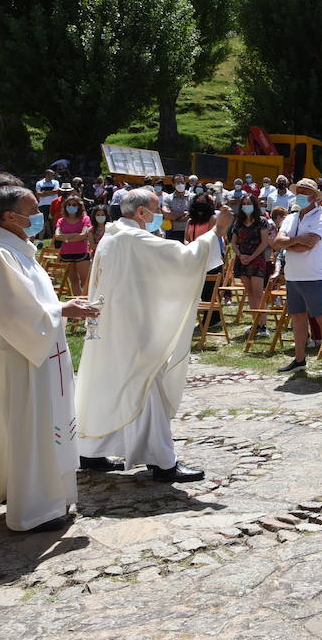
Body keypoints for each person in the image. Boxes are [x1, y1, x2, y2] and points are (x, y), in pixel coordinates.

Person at [0, 186, 99, 531]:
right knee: (31, 426)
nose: (40, 216)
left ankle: (40, 495)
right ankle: (34, 510)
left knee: (43, 423)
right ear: (8, 216)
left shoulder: (13, 246)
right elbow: (11, 311)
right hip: (21, 355)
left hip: (40, 349)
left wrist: (59, 309)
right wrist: (64, 308)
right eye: (32, 210)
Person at [76, 188, 228, 483]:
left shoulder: (112, 235)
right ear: (142, 212)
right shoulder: (132, 237)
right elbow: (183, 258)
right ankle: (162, 462)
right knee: (146, 387)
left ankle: (90, 451)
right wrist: (217, 231)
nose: (160, 213)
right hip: (132, 329)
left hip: (112, 326)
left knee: (107, 385)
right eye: (156, 208)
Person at [272, 179, 322, 379]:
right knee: (298, 320)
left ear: (314, 195)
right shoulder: (291, 217)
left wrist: (289, 243)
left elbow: (308, 245)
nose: (300, 194)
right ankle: (299, 359)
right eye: (298, 191)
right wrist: (297, 239)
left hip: (313, 275)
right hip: (293, 275)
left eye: (304, 191)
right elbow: (277, 242)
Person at [230, 196, 275, 338]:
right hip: (242, 260)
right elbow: (233, 243)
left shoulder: (262, 222)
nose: (246, 206)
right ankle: (255, 323)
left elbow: (264, 243)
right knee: (250, 293)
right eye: (244, 204)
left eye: (249, 203)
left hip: (257, 260)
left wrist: (252, 257)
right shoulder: (238, 223)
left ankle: (263, 325)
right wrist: (240, 255)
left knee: (258, 293)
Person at [54, 193, 93, 297]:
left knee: (84, 280)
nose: (71, 206)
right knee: (74, 281)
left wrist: (66, 238)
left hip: (82, 253)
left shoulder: (85, 219)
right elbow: (57, 235)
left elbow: (84, 235)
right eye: (69, 204)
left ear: (79, 206)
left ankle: (85, 301)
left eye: (74, 204)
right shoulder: (61, 220)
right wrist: (75, 235)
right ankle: (78, 302)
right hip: (66, 253)